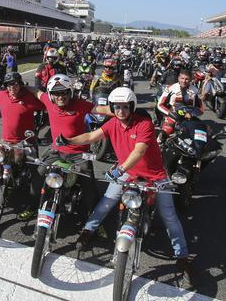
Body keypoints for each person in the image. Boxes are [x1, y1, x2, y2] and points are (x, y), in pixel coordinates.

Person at [58, 86, 194, 286]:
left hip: (154, 176)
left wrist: (119, 170)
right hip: (128, 173)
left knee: (169, 216)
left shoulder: (144, 124)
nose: (120, 111)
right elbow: (90, 137)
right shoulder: (112, 123)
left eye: (124, 107)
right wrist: (68, 140)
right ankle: (87, 231)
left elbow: (139, 152)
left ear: (132, 107)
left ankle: (182, 258)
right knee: (106, 203)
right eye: (116, 107)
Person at [24, 74, 113, 221]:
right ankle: (32, 207)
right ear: (51, 95)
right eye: (56, 93)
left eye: (64, 92)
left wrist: (124, 109)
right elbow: (36, 92)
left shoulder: (80, 104)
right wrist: (21, 86)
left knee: (89, 188)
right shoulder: (48, 101)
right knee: (37, 177)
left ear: (70, 92)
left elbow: (101, 110)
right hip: (55, 150)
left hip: (79, 153)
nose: (60, 96)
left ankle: (95, 220)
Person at [0, 72, 45, 219]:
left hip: (26, 142)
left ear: (20, 83)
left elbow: (48, 103)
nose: (12, 87)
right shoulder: (2, 95)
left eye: (15, 83)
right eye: (9, 84)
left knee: (37, 174)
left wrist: (32, 89)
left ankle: (33, 205)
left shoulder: (29, 97)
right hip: (6, 141)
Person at [157, 70, 203, 142]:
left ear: (190, 80)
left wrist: (193, 114)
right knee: (166, 132)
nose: (184, 81)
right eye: (182, 78)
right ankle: (158, 146)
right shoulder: (170, 88)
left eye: (187, 79)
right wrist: (170, 113)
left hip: (190, 117)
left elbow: (201, 107)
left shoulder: (195, 90)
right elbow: (160, 104)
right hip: (173, 115)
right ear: (178, 78)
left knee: (203, 132)